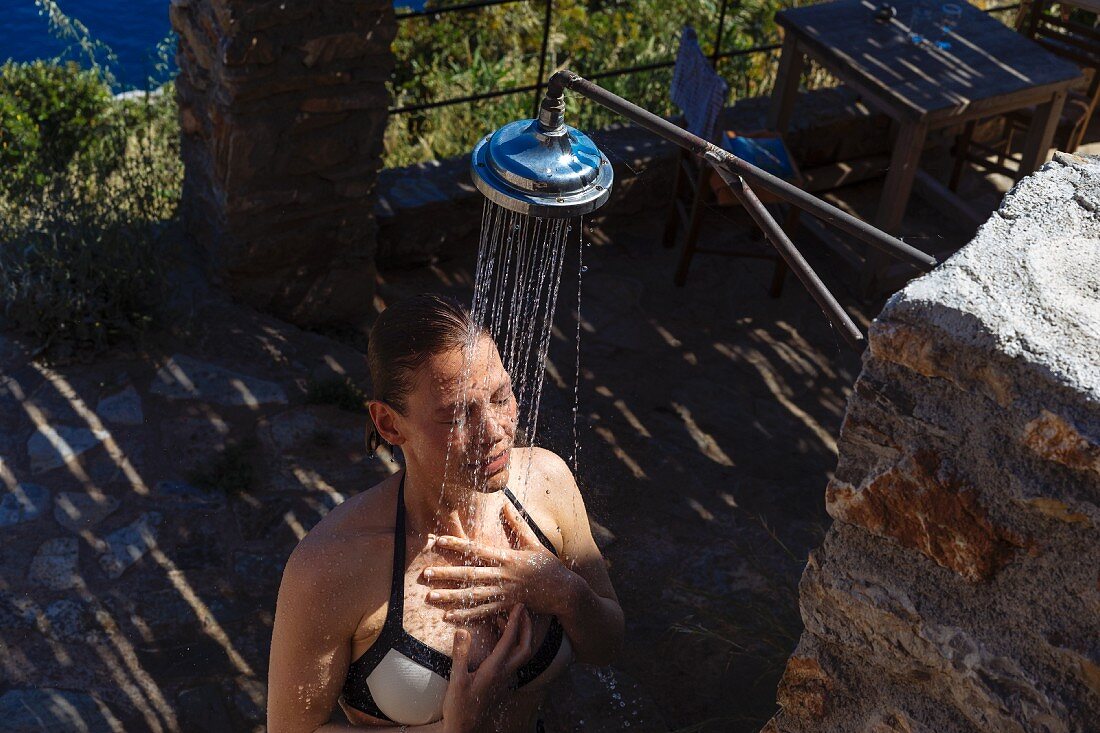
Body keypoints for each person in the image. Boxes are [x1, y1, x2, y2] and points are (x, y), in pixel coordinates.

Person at [268, 294, 623, 732]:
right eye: (458, 415)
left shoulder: (547, 485)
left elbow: (606, 646)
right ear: (389, 424)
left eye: (500, 396)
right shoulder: (330, 567)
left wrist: (566, 592)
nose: (494, 432)